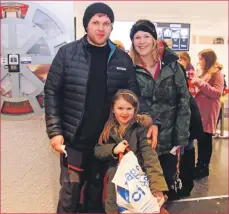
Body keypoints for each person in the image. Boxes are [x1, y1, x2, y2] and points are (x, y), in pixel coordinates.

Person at [44, 3, 159, 213]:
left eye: (106, 23)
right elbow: (52, 92)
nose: (101, 27)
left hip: (106, 143)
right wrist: (55, 131)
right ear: (86, 25)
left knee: (97, 196)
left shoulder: (122, 59)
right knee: (70, 195)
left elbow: (134, 97)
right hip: (74, 142)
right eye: (95, 22)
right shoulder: (67, 54)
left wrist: (150, 120)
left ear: (111, 27)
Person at [129, 20, 191, 200]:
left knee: (164, 190)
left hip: (168, 140)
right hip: (141, 139)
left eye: (146, 36)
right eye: (137, 37)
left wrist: (180, 140)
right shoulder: (129, 66)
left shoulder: (172, 65)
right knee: (141, 192)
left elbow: (183, 101)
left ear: (154, 39)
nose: (142, 41)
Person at [94, 89, 168, 213]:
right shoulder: (108, 129)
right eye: (120, 108)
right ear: (113, 109)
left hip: (138, 184)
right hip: (115, 187)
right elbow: (97, 150)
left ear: (135, 109)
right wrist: (113, 149)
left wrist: (157, 187)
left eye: (129, 108)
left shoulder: (141, 129)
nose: (124, 112)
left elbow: (151, 159)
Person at [191, 49, 224, 179]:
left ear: (207, 59)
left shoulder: (217, 74)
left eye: (201, 59)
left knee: (206, 140)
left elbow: (217, 93)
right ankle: (200, 165)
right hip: (201, 112)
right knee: (201, 139)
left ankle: (203, 167)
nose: (200, 61)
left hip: (209, 112)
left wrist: (200, 83)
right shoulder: (206, 73)